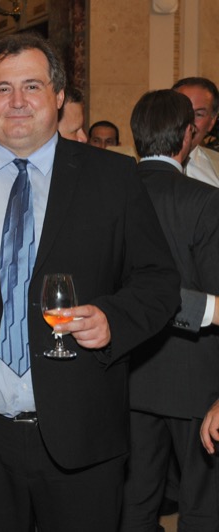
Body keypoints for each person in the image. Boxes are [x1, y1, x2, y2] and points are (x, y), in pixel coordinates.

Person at [0, 33, 180, 531]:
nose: (17, 101)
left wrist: (113, 319)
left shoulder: (114, 178)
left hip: (83, 432)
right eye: (2, 89)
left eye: (31, 86)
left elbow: (160, 282)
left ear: (58, 96)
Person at [120, 89, 219, 531]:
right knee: (202, 506)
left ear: (136, 135)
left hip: (127, 374)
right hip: (196, 380)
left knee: (135, 500)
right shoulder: (205, 201)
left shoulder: (109, 196)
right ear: (187, 135)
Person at [173, 77, 219, 187]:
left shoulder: (216, 164)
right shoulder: (136, 166)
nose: (189, 122)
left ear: (212, 122)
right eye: (182, 111)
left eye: (198, 114)